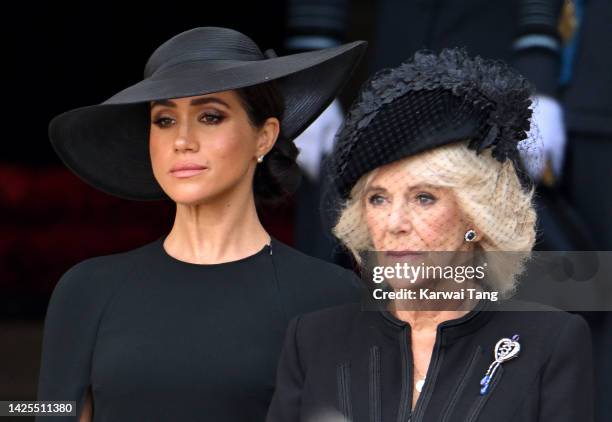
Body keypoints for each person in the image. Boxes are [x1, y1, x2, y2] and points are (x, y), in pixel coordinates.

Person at [36, 27, 366, 421]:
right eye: (164, 120)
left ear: (265, 137)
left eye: (210, 116)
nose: (182, 140)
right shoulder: (85, 291)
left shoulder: (331, 296)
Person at [266, 48, 593, 422]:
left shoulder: (549, 342)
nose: (395, 222)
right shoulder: (314, 340)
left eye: (424, 198)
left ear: (476, 215)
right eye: (378, 199)